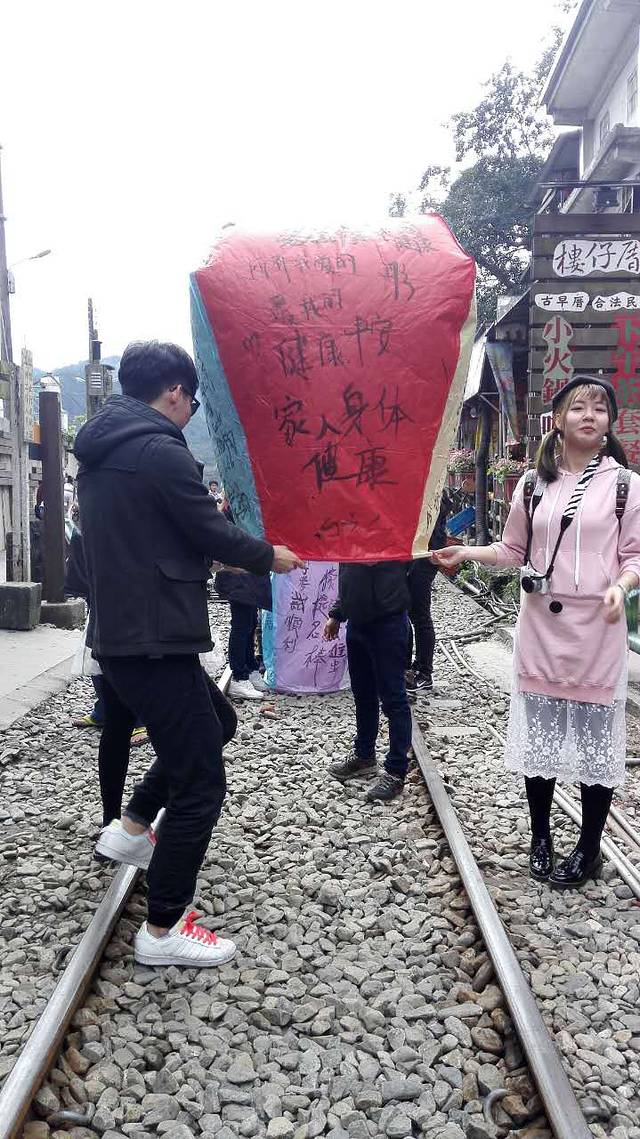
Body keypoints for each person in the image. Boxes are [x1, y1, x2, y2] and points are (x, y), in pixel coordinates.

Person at [75, 340, 303, 966]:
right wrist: (269, 556)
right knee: (201, 781)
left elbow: (150, 536)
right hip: (154, 639)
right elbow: (207, 526)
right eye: (192, 402)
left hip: (128, 636)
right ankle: (163, 929)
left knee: (218, 721)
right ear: (175, 391)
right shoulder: (159, 450)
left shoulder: (102, 451)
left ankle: (131, 829)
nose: (189, 412)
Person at [431, 375, 640, 889]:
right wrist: (467, 551)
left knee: (595, 745)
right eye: (579, 408)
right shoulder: (532, 483)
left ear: (609, 423)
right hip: (541, 626)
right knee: (541, 741)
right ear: (559, 420)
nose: (590, 416)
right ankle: (541, 836)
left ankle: (588, 848)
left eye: (599, 409)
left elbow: (634, 556)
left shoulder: (625, 485)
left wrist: (622, 588)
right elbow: (512, 551)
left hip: (598, 628)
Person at [324, 560, 413, 802]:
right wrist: (337, 614)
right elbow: (347, 576)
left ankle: (395, 771)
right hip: (357, 623)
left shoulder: (396, 539)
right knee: (363, 695)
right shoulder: (350, 538)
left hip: (389, 621)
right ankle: (364, 756)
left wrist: (403, 603)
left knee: (394, 699)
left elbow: (418, 570)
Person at [215, 501, 271, 700]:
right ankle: (239, 675)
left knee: (250, 623)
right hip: (237, 578)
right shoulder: (228, 513)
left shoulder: (242, 510)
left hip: (249, 577)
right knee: (241, 626)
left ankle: (250, 667)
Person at [406, 488, 452, 694]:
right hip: (411, 554)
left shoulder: (434, 487)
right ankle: (406, 668)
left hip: (425, 556)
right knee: (403, 612)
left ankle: (424, 672)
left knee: (419, 615)